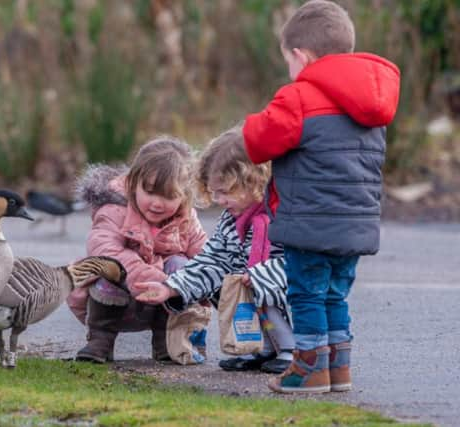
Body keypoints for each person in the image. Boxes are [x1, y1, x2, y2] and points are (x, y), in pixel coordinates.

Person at [242, 0, 400, 393]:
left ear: (301, 55)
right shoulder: (372, 100)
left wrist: (248, 123)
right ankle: (338, 368)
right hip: (355, 224)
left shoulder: (298, 97)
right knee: (334, 295)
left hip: (310, 222)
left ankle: (309, 369)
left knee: (306, 295)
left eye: (289, 63)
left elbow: (259, 143)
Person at [134, 127, 295, 374]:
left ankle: (290, 349)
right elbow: (212, 259)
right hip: (252, 294)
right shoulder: (231, 221)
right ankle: (261, 347)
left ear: (253, 180)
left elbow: (297, 263)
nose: (219, 200)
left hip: (285, 299)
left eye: (225, 191)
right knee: (223, 287)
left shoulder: (283, 216)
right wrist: (171, 287)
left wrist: (261, 275)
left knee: (265, 294)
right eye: (213, 192)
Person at [67, 136, 207, 363]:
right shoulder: (114, 209)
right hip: (116, 299)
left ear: (184, 195)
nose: (157, 203)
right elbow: (105, 250)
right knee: (108, 269)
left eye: (169, 196)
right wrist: (156, 278)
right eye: (150, 191)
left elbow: (207, 257)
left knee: (181, 266)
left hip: (163, 301)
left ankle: (167, 341)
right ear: (133, 183)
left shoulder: (186, 219)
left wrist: (219, 287)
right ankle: (100, 340)